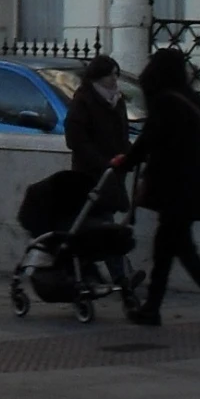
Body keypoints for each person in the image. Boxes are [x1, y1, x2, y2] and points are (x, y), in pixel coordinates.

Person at [117, 46, 200, 335]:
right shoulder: (193, 99)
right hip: (192, 185)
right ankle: (153, 309)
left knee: (182, 251)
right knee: (168, 250)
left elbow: (150, 138)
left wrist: (126, 161)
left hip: (173, 188)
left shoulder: (166, 101)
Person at [62, 54, 137, 294]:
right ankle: (122, 276)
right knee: (104, 225)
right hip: (90, 175)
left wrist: (130, 157)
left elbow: (122, 136)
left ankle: (104, 273)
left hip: (113, 174)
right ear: (97, 77)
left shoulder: (117, 101)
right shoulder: (84, 101)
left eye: (117, 74)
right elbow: (76, 139)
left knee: (97, 226)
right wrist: (101, 162)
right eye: (110, 75)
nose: (115, 79)